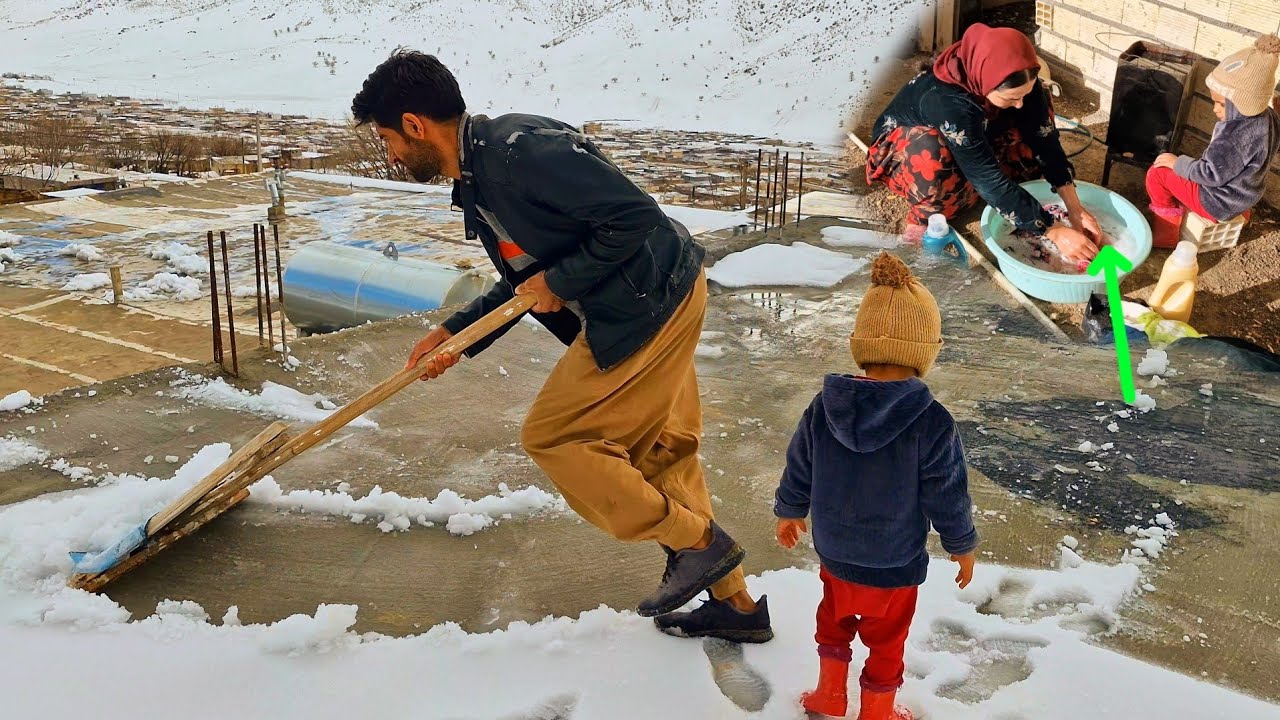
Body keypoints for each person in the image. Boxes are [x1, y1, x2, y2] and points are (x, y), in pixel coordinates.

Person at [351, 50, 772, 643]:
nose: (390, 154)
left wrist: (561, 282)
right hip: (657, 292)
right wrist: (454, 335)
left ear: (415, 125)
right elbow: (526, 284)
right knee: (661, 454)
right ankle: (739, 608)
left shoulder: (518, 153)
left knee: (557, 436)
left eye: (388, 138)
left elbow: (636, 218)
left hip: (646, 301)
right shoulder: (481, 176)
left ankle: (700, 544)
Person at [774, 253, 978, 720]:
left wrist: (790, 509)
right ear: (927, 349)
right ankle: (878, 711)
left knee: (833, 621)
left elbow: (799, 464)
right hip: (894, 561)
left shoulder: (824, 406)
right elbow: (946, 491)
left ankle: (828, 696)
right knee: (887, 639)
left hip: (835, 551)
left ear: (859, 344)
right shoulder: (931, 421)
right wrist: (961, 544)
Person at [867, 23, 1102, 265]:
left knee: (1035, 112)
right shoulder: (946, 100)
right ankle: (925, 217)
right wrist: (1053, 231)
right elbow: (986, 177)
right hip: (906, 152)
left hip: (973, 132)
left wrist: (1074, 207)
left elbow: (1047, 142)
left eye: (1023, 94)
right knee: (931, 148)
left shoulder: (1019, 78)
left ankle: (996, 191)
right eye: (1012, 97)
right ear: (986, 83)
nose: (1020, 103)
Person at [1147, 34, 1280, 248]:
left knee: (1158, 174)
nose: (1214, 109)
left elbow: (1210, 174)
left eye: (1219, 103)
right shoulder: (1268, 117)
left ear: (1243, 103)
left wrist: (1177, 162)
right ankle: (1242, 215)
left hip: (1215, 203)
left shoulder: (1233, 135)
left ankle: (1166, 234)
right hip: (1244, 197)